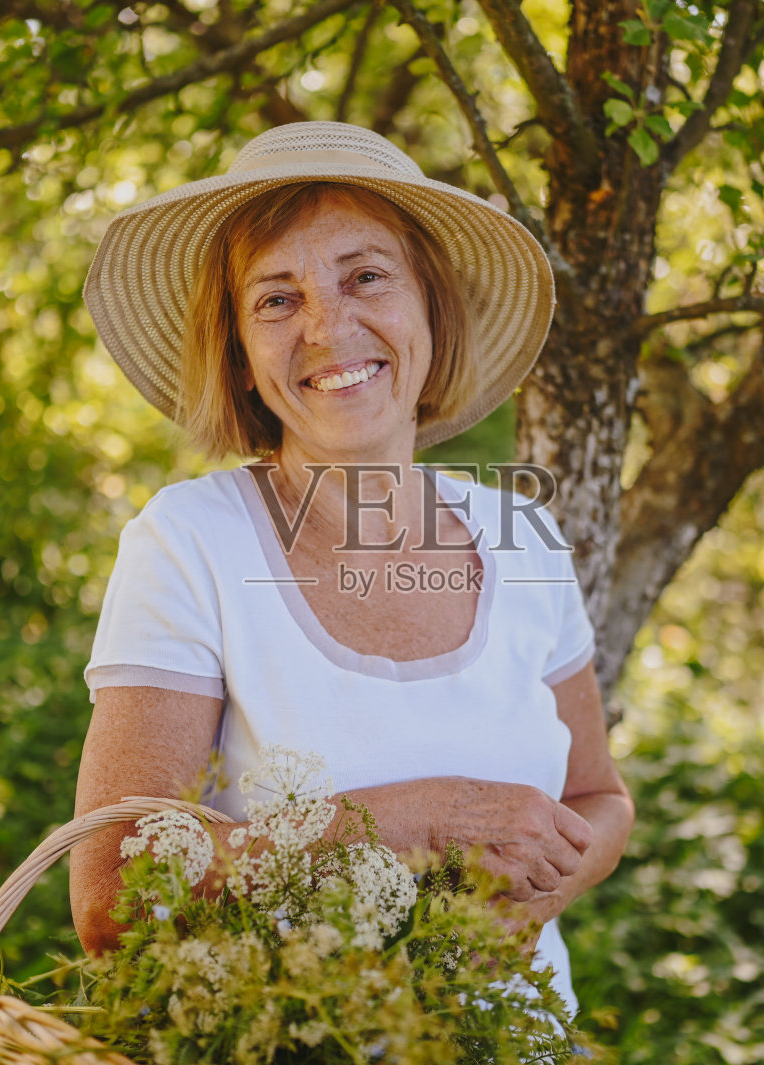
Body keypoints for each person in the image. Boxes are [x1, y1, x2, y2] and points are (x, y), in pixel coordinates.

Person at [70, 121, 634, 1017]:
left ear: (430, 312)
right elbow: (112, 894)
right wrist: (414, 821)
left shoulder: (520, 532)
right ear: (243, 357)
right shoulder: (189, 544)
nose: (329, 326)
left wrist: (542, 887)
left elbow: (600, 799)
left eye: (367, 276)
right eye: (276, 299)